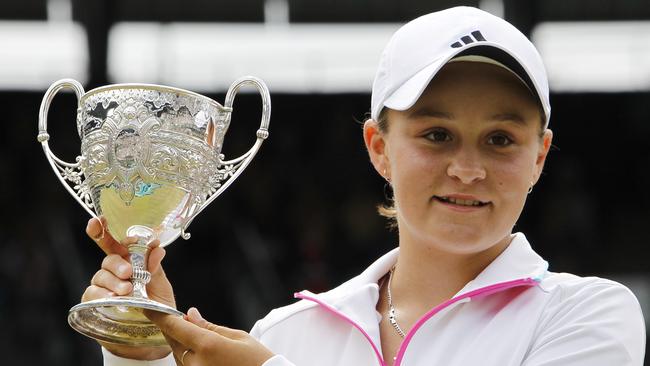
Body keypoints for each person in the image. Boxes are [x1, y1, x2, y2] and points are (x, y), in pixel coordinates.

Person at [83, 6, 646, 366]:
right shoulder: (289, 331)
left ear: (539, 157)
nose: (469, 169)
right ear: (379, 147)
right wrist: (144, 353)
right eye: (437, 134)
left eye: (500, 139)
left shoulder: (588, 315)